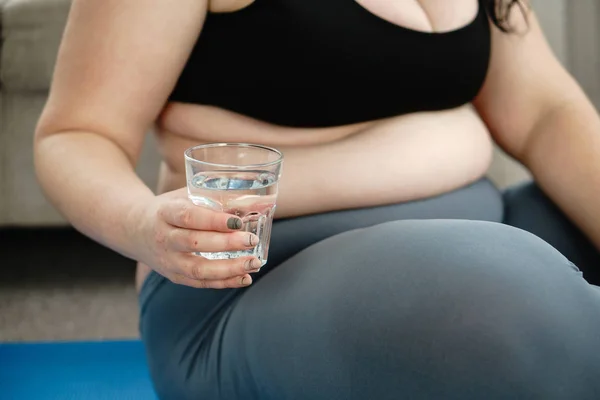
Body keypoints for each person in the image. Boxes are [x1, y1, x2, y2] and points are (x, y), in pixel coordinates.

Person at [33, 0, 600, 398]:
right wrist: (144, 223)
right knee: (518, 308)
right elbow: (78, 133)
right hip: (252, 286)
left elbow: (544, 114)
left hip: (482, 227)